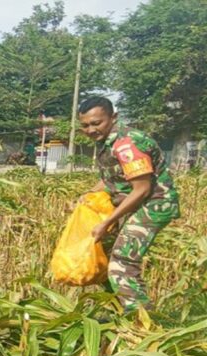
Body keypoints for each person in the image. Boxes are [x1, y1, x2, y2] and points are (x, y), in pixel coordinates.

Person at [77, 96, 180, 312]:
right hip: (134, 204)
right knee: (103, 254)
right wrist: (88, 195)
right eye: (85, 125)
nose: (91, 129)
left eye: (97, 123)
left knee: (122, 262)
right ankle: (116, 311)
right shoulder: (107, 142)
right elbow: (111, 179)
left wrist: (107, 222)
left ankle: (141, 323)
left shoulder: (127, 144)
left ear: (113, 117)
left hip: (153, 206)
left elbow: (141, 189)